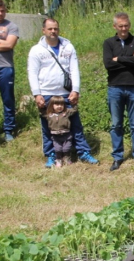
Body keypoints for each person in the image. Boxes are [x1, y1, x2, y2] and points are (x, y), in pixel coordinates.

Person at [28, 18, 99, 168]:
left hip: (66, 94)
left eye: (56, 29)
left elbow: (74, 69)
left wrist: (76, 90)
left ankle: (83, 152)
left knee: (75, 126)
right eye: (50, 29)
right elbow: (32, 73)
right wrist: (37, 94)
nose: (53, 31)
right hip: (47, 94)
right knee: (48, 127)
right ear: (43, 30)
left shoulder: (68, 47)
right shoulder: (36, 50)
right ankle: (51, 155)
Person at [103, 12, 134, 172]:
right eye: (120, 26)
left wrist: (120, 59)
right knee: (116, 124)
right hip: (115, 88)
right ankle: (117, 157)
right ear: (115, 27)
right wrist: (130, 58)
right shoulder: (108, 43)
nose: (124, 29)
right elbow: (108, 65)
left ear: (129, 25)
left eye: (126, 25)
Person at [0, 0, 19, 142]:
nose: (1, 13)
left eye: (3, 10)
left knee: (8, 99)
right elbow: (4, 43)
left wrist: (5, 43)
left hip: (5, 67)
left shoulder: (12, 26)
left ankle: (9, 129)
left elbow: (9, 45)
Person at [41, 96, 79, 167]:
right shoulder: (49, 115)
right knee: (58, 149)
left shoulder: (66, 112)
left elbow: (74, 110)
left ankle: (67, 158)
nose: (59, 106)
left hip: (67, 135)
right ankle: (58, 160)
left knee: (66, 148)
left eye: (61, 104)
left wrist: (74, 103)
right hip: (56, 137)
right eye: (57, 105)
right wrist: (42, 106)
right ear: (52, 105)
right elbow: (41, 113)